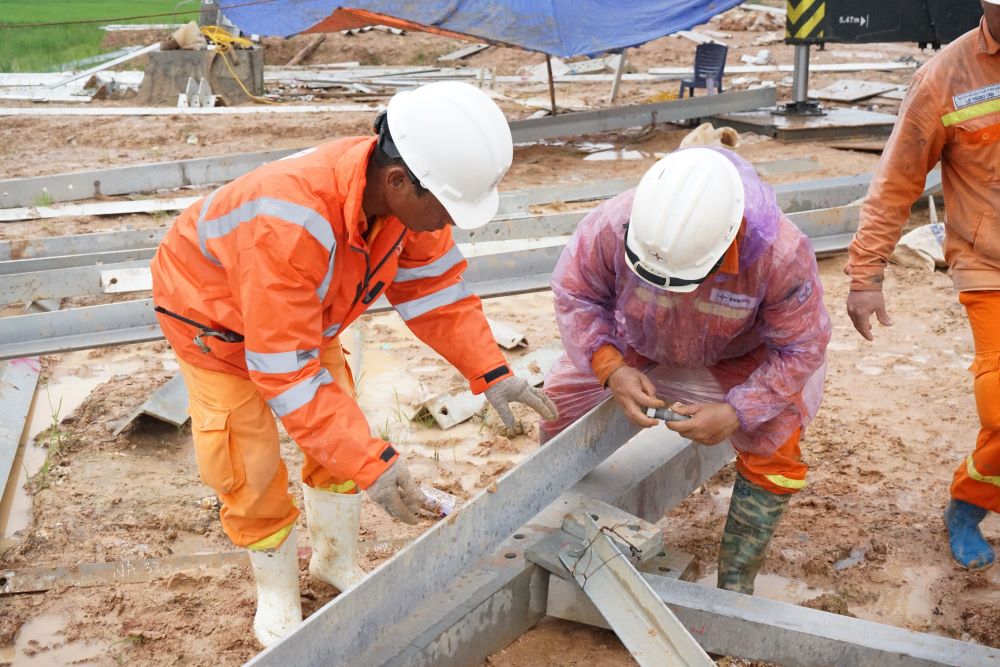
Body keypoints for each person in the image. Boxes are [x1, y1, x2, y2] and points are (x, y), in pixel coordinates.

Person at [150, 81, 557, 645]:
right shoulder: (291, 222)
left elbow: (436, 291)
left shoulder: (401, 201)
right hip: (215, 320)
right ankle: (277, 594)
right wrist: (376, 466)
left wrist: (491, 371)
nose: (452, 222)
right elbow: (285, 372)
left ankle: (332, 561)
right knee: (248, 456)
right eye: (447, 207)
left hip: (298, 310)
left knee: (340, 426)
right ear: (398, 182)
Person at [542, 147, 830, 594]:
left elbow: (801, 347)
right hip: (640, 341)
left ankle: (735, 586)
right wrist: (610, 366)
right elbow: (577, 294)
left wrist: (737, 411)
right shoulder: (613, 223)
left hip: (739, 357)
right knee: (559, 402)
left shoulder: (779, 255)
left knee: (777, 444)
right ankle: (559, 508)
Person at [845, 0, 1000, 572]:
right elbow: (895, 183)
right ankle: (968, 502)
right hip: (991, 270)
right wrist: (865, 274)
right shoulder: (947, 78)